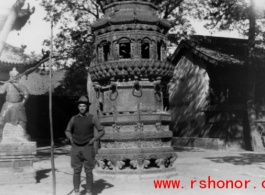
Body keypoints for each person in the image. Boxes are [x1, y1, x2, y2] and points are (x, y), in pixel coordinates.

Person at [65, 96, 104, 195]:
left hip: (88, 146)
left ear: (87, 107)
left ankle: (89, 191)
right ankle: (77, 192)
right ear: (78, 107)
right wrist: (71, 138)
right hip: (75, 147)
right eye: (80, 106)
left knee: (88, 170)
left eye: (84, 106)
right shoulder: (73, 119)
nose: (82, 108)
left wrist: (94, 139)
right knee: (76, 170)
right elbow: (67, 130)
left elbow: (101, 130)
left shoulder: (92, 118)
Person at [0, 67, 30, 141]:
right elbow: (1, 91)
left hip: (18, 105)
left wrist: (22, 103)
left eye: (14, 76)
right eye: (12, 76)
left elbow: (26, 94)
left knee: (22, 121)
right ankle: (1, 135)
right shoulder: (7, 84)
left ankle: (24, 134)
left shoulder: (20, 85)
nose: (13, 78)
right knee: (1, 119)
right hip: (8, 104)